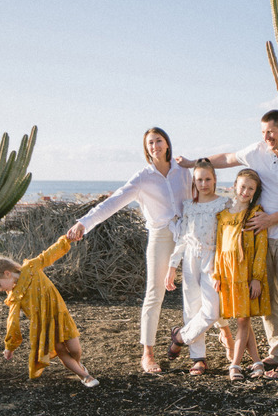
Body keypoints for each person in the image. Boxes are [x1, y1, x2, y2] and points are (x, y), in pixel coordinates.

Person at [178, 110, 278, 380]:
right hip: (256, 238)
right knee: (266, 296)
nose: (266, 138)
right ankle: (277, 352)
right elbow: (228, 158)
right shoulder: (257, 150)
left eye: (271, 133)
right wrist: (194, 163)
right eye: (263, 133)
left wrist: (270, 219)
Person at [66, 127, 190, 375]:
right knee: (154, 294)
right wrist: (84, 223)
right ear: (147, 149)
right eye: (150, 143)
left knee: (198, 288)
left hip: (189, 233)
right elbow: (113, 202)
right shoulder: (142, 177)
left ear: (167, 144)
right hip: (161, 235)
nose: (154, 146)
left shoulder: (183, 170)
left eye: (158, 141)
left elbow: (200, 194)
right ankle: (148, 353)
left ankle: (200, 348)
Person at [0, 236, 99, 387]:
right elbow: (12, 322)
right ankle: (85, 376)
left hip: (60, 314)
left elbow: (49, 254)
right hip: (45, 325)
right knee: (61, 351)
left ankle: (78, 366)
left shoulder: (31, 267)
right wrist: (10, 346)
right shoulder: (14, 296)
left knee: (75, 349)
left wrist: (67, 240)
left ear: (7, 273)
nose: (0, 289)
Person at [164, 158, 234, 375]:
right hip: (191, 259)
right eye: (199, 180)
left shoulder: (224, 203)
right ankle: (198, 358)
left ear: (214, 180)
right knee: (191, 308)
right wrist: (172, 266)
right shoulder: (189, 206)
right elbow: (183, 238)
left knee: (212, 310)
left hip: (213, 260)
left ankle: (179, 337)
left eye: (207, 179)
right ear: (194, 182)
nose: (203, 184)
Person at [212, 168, 270, 381]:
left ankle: (235, 364)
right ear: (235, 185)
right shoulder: (224, 216)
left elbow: (261, 248)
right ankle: (256, 361)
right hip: (228, 276)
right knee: (242, 319)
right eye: (242, 186)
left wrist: (256, 277)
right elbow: (219, 247)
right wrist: (217, 274)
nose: (245, 191)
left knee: (243, 321)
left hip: (246, 275)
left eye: (250, 188)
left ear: (255, 192)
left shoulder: (256, 214)